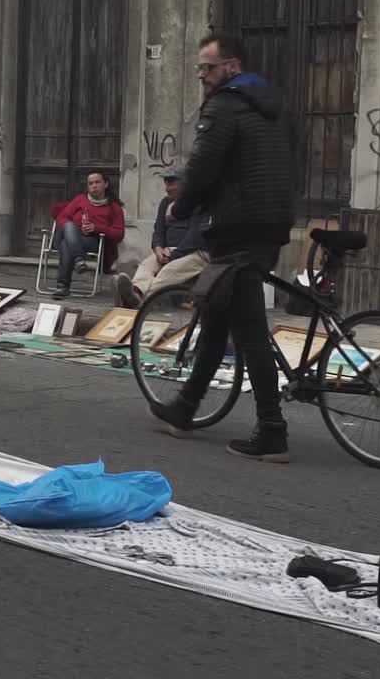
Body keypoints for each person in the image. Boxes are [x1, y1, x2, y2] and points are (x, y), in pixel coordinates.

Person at [148, 33, 296, 463]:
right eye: (198, 68)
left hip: (237, 227)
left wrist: (181, 208)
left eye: (206, 68)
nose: (200, 76)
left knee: (249, 331)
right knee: (214, 313)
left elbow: (204, 166)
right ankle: (184, 408)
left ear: (230, 67)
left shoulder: (225, 106)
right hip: (269, 222)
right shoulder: (274, 105)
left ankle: (272, 430)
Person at [112, 160, 209, 308]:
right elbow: (159, 230)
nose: (167, 189)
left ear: (185, 184)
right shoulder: (166, 203)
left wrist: (173, 256)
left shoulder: (199, 203)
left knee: (169, 271)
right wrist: (158, 248)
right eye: (166, 184)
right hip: (168, 251)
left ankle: (139, 300)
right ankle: (135, 292)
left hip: (196, 253)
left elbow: (195, 236)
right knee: (146, 265)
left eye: (171, 184)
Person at [49, 172, 125, 299]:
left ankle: (62, 287)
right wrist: (73, 229)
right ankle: (78, 259)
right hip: (64, 234)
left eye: (97, 182)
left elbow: (119, 234)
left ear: (105, 184)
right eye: (90, 183)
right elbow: (62, 218)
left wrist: (96, 228)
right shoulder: (80, 199)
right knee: (69, 226)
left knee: (66, 244)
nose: (94, 186)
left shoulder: (114, 207)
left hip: (91, 241)